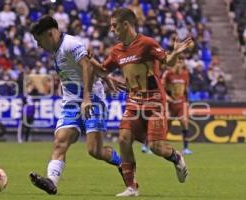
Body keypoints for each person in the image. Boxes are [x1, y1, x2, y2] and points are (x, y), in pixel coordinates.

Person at [90, 8, 193, 197]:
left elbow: (167, 61)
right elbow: (103, 70)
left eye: (114, 26)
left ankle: (177, 157)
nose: (112, 30)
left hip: (154, 101)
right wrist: (87, 58)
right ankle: (131, 187)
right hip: (133, 101)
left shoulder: (146, 43)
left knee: (156, 147)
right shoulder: (116, 51)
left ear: (126, 24)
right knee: (123, 138)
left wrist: (176, 52)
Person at [28, 15, 122, 195]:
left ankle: (122, 163)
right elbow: (89, 61)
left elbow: (86, 66)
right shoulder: (56, 50)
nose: (38, 45)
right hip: (71, 102)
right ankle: (51, 181)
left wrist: (87, 97)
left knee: (95, 151)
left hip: (92, 99)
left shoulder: (70, 43)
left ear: (49, 34)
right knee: (60, 141)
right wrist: (105, 75)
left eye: (38, 40)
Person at [162, 57, 192, 155]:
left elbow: (186, 88)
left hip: (181, 103)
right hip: (170, 103)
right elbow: (161, 88)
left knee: (184, 121)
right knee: (166, 125)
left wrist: (187, 100)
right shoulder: (168, 74)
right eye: (177, 62)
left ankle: (186, 148)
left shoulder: (185, 74)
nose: (179, 64)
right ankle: (160, 145)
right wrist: (167, 97)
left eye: (181, 62)